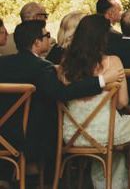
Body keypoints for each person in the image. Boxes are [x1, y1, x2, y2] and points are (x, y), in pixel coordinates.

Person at [0, 20, 120, 170]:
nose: (50, 39)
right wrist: (102, 80)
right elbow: (62, 93)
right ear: (37, 42)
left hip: (4, 133)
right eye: (47, 35)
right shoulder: (42, 67)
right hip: (30, 137)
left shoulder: (3, 63)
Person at [59, 14, 130, 189]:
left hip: (72, 134)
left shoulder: (65, 63)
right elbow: (122, 103)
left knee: (115, 147)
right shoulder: (113, 62)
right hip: (104, 132)